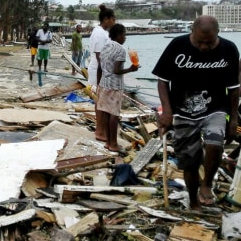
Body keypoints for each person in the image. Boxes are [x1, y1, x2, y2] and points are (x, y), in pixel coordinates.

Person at [153, 15, 239, 210]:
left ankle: (207, 184)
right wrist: (166, 112)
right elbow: (162, 81)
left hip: (215, 108)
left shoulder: (229, 49)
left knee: (215, 142)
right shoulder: (177, 45)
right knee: (190, 161)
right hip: (182, 111)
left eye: (209, 43)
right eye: (199, 42)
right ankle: (192, 200)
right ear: (192, 32)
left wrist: (233, 120)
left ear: (218, 34)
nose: (204, 47)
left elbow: (234, 88)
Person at [97, 24, 139, 153]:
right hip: (115, 86)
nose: (125, 37)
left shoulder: (105, 47)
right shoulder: (120, 49)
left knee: (105, 113)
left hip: (104, 83)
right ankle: (114, 144)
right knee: (114, 115)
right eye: (124, 35)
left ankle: (108, 143)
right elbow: (117, 70)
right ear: (119, 35)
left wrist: (98, 84)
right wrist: (131, 69)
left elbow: (100, 67)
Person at [87, 4, 116, 142]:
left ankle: (102, 129)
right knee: (100, 102)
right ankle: (100, 131)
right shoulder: (98, 33)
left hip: (104, 70)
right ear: (106, 19)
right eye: (113, 19)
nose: (114, 22)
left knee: (103, 102)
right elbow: (99, 56)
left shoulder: (104, 32)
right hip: (99, 70)